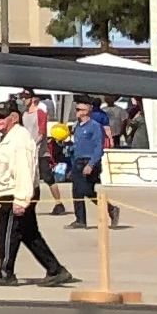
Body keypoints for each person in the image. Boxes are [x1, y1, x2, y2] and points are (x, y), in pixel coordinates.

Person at [0, 98, 73, 287]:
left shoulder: (20, 139)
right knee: (29, 234)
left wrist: (21, 200)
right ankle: (55, 270)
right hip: (8, 191)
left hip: (16, 193)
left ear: (14, 118)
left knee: (8, 233)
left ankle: (5, 272)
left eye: (1, 117)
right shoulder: (4, 138)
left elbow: (25, 170)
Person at [64, 96, 110, 230]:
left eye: (80, 109)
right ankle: (80, 220)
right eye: (76, 109)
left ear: (87, 110)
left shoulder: (95, 126)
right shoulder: (77, 126)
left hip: (89, 161)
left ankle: (110, 208)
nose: (77, 112)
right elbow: (77, 146)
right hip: (77, 161)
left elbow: (98, 147)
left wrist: (91, 164)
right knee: (77, 191)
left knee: (86, 190)